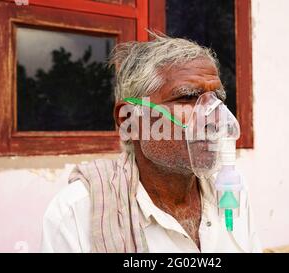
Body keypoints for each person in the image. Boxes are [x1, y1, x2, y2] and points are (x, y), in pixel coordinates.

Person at [41, 33, 261, 253]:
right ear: (129, 120)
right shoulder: (76, 214)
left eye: (216, 100)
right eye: (186, 98)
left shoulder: (231, 191)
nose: (215, 118)